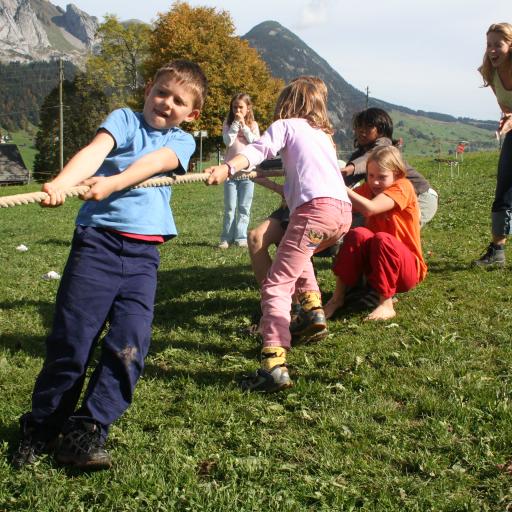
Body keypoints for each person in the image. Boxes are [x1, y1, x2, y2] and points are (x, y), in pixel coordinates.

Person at [12, 60, 208, 470]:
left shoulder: (183, 142)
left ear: (192, 113)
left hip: (141, 257)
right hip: (96, 245)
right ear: (147, 91)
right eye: (161, 92)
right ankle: (42, 427)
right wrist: (63, 183)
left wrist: (113, 183)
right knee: (72, 342)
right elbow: (95, 152)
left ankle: (88, 430)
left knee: (129, 343)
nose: (166, 103)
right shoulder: (123, 119)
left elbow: (152, 165)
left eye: (179, 100)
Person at [206, 79, 352, 392]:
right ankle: (312, 311)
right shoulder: (323, 136)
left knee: (276, 285)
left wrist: (228, 168)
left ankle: (273, 363)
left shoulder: (285, 125)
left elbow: (257, 149)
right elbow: (298, 178)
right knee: (298, 252)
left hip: (314, 211)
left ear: (286, 105)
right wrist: (267, 181)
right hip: (341, 214)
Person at [324, 146, 427, 322]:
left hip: (406, 270)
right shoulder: (369, 189)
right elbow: (341, 202)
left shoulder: (403, 186)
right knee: (357, 234)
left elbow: (370, 208)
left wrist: (340, 186)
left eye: (382, 177)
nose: (375, 182)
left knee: (383, 239)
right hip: (376, 266)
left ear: (397, 174)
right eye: (371, 176)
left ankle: (386, 304)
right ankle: (337, 298)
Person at [342, 107, 438, 228]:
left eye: (368, 127)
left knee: (400, 226)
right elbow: (345, 183)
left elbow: (368, 158)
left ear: (381, 130)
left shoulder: (384, 146)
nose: (362, 131)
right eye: (359, 126)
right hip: (392, 197)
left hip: (421, 196)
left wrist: (346, 170)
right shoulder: (359, 153)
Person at [474, 23, 512, 267]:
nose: (492, 50)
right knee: (504, 186)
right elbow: (506, 105)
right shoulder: (489, 72)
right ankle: (497, 251)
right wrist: (506, 118)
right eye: (489, 45)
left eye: (498, 44)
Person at [218, 93, 260, 248]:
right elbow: (228, 141)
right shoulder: (228, 123)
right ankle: (226, 237)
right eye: (234, 107)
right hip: (230, 174)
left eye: (240, 107)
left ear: (248, 108)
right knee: (230, 208)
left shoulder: (254, 125)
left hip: (248, 174)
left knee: (244, 207)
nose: (237, 110)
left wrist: (244, 126)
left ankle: (240, 237)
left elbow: (256, 143)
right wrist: (235, 124)